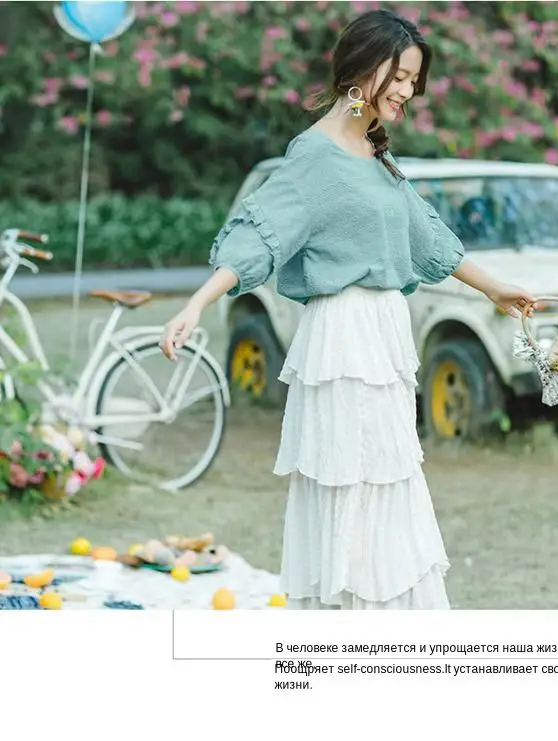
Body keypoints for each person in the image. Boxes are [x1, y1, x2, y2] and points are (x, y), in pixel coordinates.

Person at [159, 9, 537, 610]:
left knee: (388, 483)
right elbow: (262, 235)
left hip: (384, 339)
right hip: (343, 341)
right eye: (401, 77)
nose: (408, 91)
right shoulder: (314, 155)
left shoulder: (375, 154)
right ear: (364, 70)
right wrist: (197, 303)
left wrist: (494, 288)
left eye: (414, 80)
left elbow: (426, 237)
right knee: (351, 483)